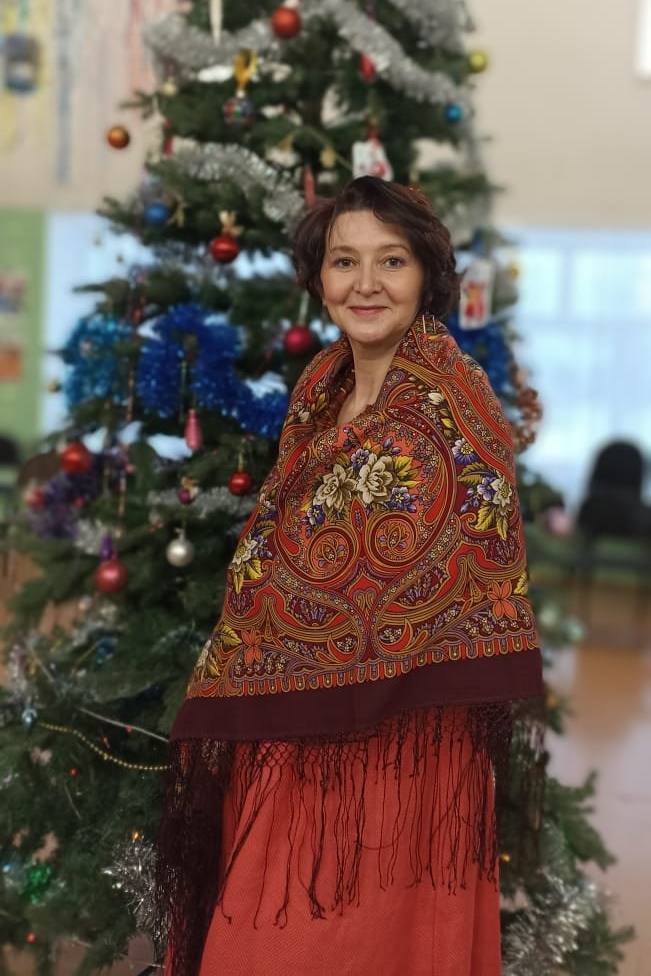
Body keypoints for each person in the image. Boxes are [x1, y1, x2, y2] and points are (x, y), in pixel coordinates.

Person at [157, 177, 544, 976]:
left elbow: (469, 565)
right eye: (344, 261)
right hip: (287, 725)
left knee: (350, 941)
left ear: (426, 276)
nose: (365, 283)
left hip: (402, 743)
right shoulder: (320, 388)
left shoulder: (453, 400)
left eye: (390, 261)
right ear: (318, 277)